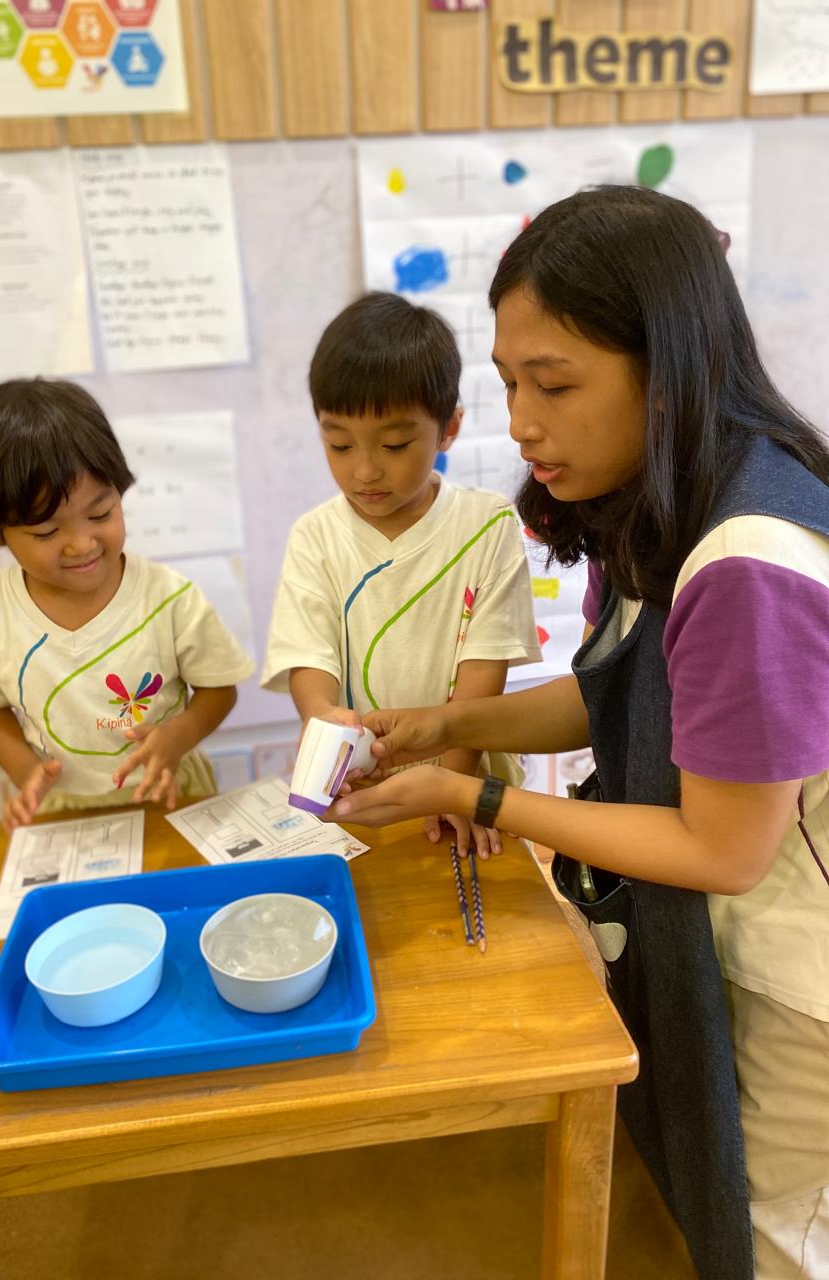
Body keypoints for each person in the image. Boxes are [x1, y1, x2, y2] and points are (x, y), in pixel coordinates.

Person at [332, 187, 829, 1280]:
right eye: (509, 382)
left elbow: (724, 850)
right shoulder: (659, 499)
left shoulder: (749, 562)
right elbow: (616, 687)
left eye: (553, 384)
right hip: (716, 936)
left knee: (772, 1233)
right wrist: (451, 722)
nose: (521, 422)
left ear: (670, 369)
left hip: (796, 980)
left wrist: (472, 792)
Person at [261, 291, 541, 856]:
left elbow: (484, 672)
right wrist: (325, 721)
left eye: (393, 444)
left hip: (469, 782)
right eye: (339, 443)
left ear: (448, 428)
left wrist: (455, 784)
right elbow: (308, 658)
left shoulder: (486, 526)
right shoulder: (315, 536)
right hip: (365, 782)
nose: (364, 470)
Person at [0, 379, 253, 832]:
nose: (82, 544)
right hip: (63, 803)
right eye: (47, 532)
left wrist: (176, 737)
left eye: (101, 514)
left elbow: (219, 688)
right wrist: (26, 772)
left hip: (169, 788)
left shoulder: (171, 598)